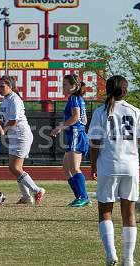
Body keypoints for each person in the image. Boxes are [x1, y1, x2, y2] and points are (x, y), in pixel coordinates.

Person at [88, 75, 140, 266]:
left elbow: (95, 143)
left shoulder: (100, 112)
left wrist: (93, 165)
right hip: (130, 166)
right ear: (125, 90)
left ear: (107, 90)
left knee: (105, 210)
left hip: (108, 166)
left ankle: (111, 254)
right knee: (129, 213)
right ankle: (128, 259)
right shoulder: (135, 111)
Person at [0, 75, 45, 205]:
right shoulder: (5, 100)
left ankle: (37, 190)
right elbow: (6, 120)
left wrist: (2, 130)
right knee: (15, 168)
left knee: (14, 167)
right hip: (15, 136)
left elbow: (13, 121)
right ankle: (26, 197)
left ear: (10, 86)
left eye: (2, 86)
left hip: (21, 135)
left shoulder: (14, 100)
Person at [50, 74, 90, 207]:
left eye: (66, 84)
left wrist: (60, 127)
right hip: (75, 134)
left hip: (76, 134)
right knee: (66, 168)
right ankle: (80, 196)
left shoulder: (74, 98)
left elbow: (75, 117)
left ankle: (84, 197)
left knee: (74, 168)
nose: (63, 87)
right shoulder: (77, 98)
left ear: (74, 86)